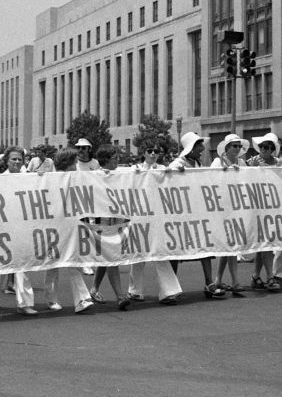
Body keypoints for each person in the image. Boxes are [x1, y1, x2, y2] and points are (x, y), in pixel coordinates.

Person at [167, 132, 226, 300]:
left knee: (205, 247)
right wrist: (175, 175)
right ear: (190, 148)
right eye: (199, 144)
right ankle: (172, 288)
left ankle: (209, 283)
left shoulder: (199, 163)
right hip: (181, 215)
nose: (202, 148)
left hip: (198, 212)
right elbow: (166, 183)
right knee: (176, 252)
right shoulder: (177, 164)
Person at [0, 147, 38, 315]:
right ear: (7, 161)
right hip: (3, 227)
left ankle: (24, 303)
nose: (17, 162)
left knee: (23, 264)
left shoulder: (29, 178)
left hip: (22, 227)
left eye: (20, 159)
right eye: (13, 159)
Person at [126, 143, 183, 305]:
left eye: (156, 151)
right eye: (149, 150)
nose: (152, 153)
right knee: (137, 253)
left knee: (160, 251)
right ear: (143, 153)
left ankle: (168, 291)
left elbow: (176, 178)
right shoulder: (135, 168)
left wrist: (179, 173)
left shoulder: (163, 169)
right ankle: (135, 291)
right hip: (139, 214)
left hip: (158, 215)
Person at [42, 148, 95, 314]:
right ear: (67, 164)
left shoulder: (76, 178)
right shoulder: (48, 179)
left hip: (70, 226)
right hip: (52, 227)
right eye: (74, 163)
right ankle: (52, 299)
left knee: (73, 262)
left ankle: (81, 299)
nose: (76, 166)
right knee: (52, 266)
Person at [86, 145, 132, 310]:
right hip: (102, 220)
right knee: (111, 255)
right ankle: (120, 296)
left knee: (107, 257)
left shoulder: (120, 174)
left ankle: (94, 289)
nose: (117, 159)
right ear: (105, 159)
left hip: (116, 218)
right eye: (114, 157)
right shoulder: (95, 175)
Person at [210, 134, 248, 297]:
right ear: (227, 148)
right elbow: (208, 180)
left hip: (237, 207)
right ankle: (235, 281)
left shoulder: (241, 163)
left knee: (229, 245)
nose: (238, 149)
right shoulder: (217, 162)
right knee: (230, 245)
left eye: (239, 146)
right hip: (222, 207)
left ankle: (219, 279)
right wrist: (222, 174)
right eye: (234, 146)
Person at [247, 133, 282, 291]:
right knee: (266, 242)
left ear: (273, 149)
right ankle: (270, 277)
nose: (265, 149)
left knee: (265, 243)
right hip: (258, 206)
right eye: (262, 146)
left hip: (275, 206)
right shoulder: (253, 161)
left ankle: (256, 276)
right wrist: (252, 168)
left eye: (268, 147)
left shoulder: (279, 162)